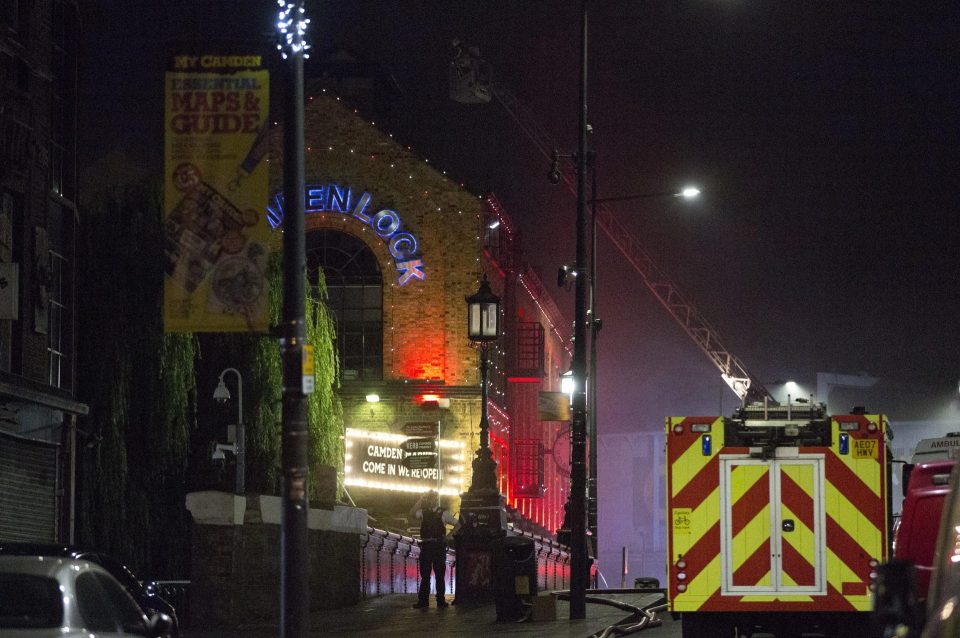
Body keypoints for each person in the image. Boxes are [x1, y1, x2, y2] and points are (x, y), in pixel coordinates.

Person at [410, 490, 459, 609]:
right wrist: (421, 499)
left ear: (435, 499)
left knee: (437, 575)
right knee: (428, 574)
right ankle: (435, 601)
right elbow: (411, 513)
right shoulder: (428, 512)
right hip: (431, 545)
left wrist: (448, 537)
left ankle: (430, 601)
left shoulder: (441, 513)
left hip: (434, 546)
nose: (430, 500)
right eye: (428, 498)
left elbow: (457, 524)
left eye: (431, 498)